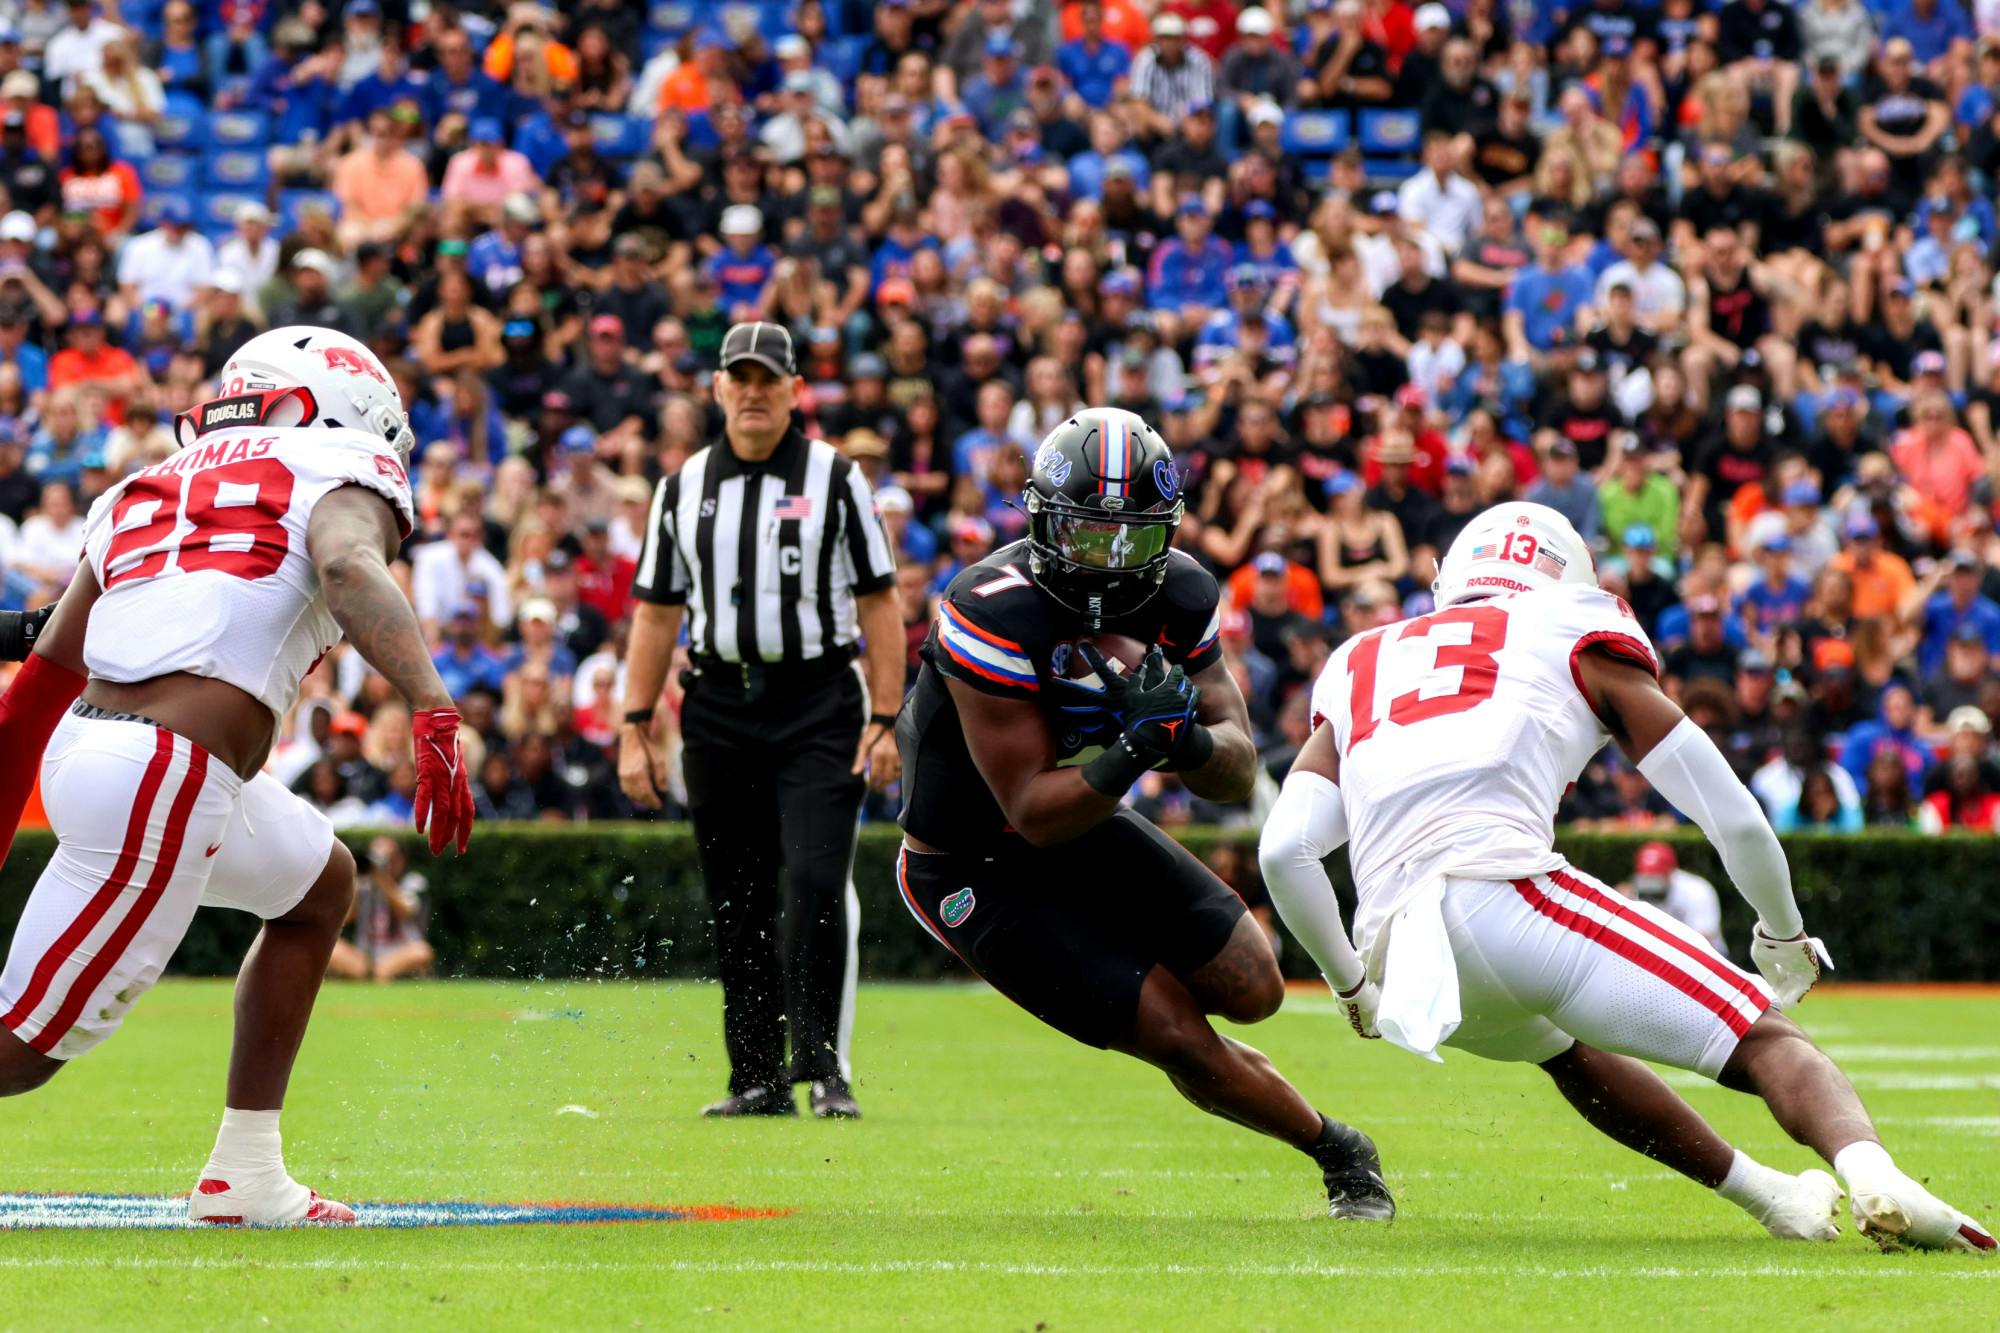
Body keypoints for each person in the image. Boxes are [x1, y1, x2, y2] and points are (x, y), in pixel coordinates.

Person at [1259, 500, 1993, 1252]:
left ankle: (1771, 1196)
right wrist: (1782, 930)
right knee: (1767, 1036)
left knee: (1567, 1052)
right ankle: (1874, 1172)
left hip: (1407, 959)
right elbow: (1731, 813)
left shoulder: (1359, 657)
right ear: (1563, 576)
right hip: (1509, 895)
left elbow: (1285, 852)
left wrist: (1351, 984)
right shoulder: (1569, 625)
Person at [0, 326, 474, 1225]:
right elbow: (343, 562)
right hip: (165, 772)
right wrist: (432, 705)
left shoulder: (141, 485)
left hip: (100, 748)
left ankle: (245, 1174)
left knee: (318, 887)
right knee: (21, 1048)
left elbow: (45, 678)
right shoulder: (338, 461)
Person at [895, 406, 1396, 1222]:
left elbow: (1233, 768)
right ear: (1045, 519)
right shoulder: (991, 607)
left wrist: (1185, 737)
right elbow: (1032, 811)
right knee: (1172, 1027)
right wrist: (1135, 748)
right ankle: (1337, 1148)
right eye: (1093, 535)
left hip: (1080, 820)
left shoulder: (1183, 588)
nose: (1113, 561)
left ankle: (1296, 1119)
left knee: (1255, 982)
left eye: (1134, 538)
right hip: (973, 859)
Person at [621, 322, 902, 1120]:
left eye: (766, 378)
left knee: (814, 878)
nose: (751, 391)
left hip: (817, 702)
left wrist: (886, 716)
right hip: (717, 704)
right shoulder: (681, 487)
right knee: (736, 895)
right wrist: (634, 724)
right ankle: (756, 1076)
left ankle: (824, 1068)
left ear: (793, 391)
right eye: (737, 377)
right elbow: (654, 612)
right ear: (715, 388)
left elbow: (881, 602)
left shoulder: (837, 478)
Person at [327, 835, 435, 982]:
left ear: (400, 860)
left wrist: (382, 878)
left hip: (401, 952)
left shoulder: (412, 882)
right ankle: (369, 972)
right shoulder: (363, 885)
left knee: (422, 951)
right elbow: (344, 919)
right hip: (364, 955)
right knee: (330, 947)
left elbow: (405, 911)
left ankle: (377, 972)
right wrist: (357, 879)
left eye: (389, 858)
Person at [1619, 841, 1726, 956]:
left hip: (1708, 957)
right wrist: (1622, 903)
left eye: (1656, 876)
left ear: (1670, 873)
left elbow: (1706, 937)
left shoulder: (1696, 890)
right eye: (1647, 877)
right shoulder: (1636, 890)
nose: (1651, 882)